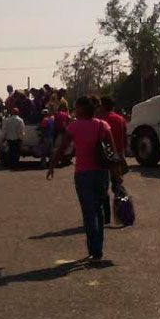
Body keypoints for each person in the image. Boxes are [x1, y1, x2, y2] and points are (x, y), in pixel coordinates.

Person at [47, 96, 114, 262]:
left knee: (89, 213)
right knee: (98, 211)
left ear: (82, 109)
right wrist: (116, 172)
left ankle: (94, 250)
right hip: (101, 174)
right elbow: (112, 150)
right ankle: (98, 250)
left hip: (83, 174)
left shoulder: (74, 127)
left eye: (76, 107)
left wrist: (52, 166)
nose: (74, 111)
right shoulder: (102, 125)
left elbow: (62, 148)